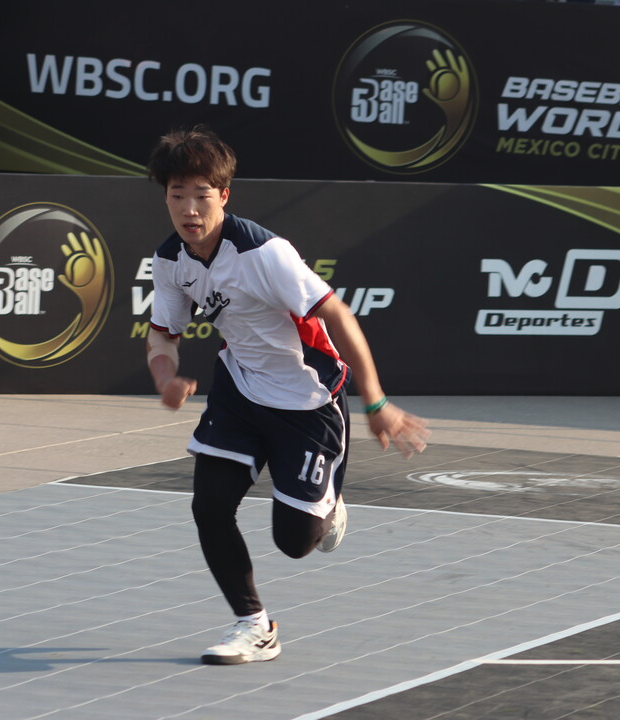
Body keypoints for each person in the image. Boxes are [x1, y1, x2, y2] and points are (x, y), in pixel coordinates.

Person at [144, 126, 431, 665]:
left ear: (223, 195)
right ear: (166, 198)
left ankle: (329, 505)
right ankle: (255, 626)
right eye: (177, 195)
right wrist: (166, 380)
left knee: (295, 542)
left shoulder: (263, 253)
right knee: (209, 506)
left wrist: (375, 401)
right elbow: (163, 335)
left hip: (307, 400)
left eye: (201, 195)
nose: (189, 209)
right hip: (239, 392)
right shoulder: (170, 260)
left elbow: (337, 314)